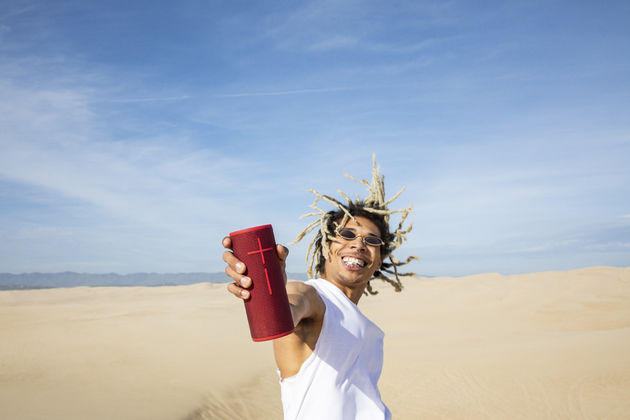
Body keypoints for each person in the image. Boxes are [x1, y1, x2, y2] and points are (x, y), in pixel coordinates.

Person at [222, 156, 417, 419]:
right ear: (327, 246)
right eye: (347, 235)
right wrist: (268, 294)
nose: (359, 244)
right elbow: (286, 313)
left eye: (371, 240)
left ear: (378, 260)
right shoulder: (314, 296)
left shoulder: (369, 329)